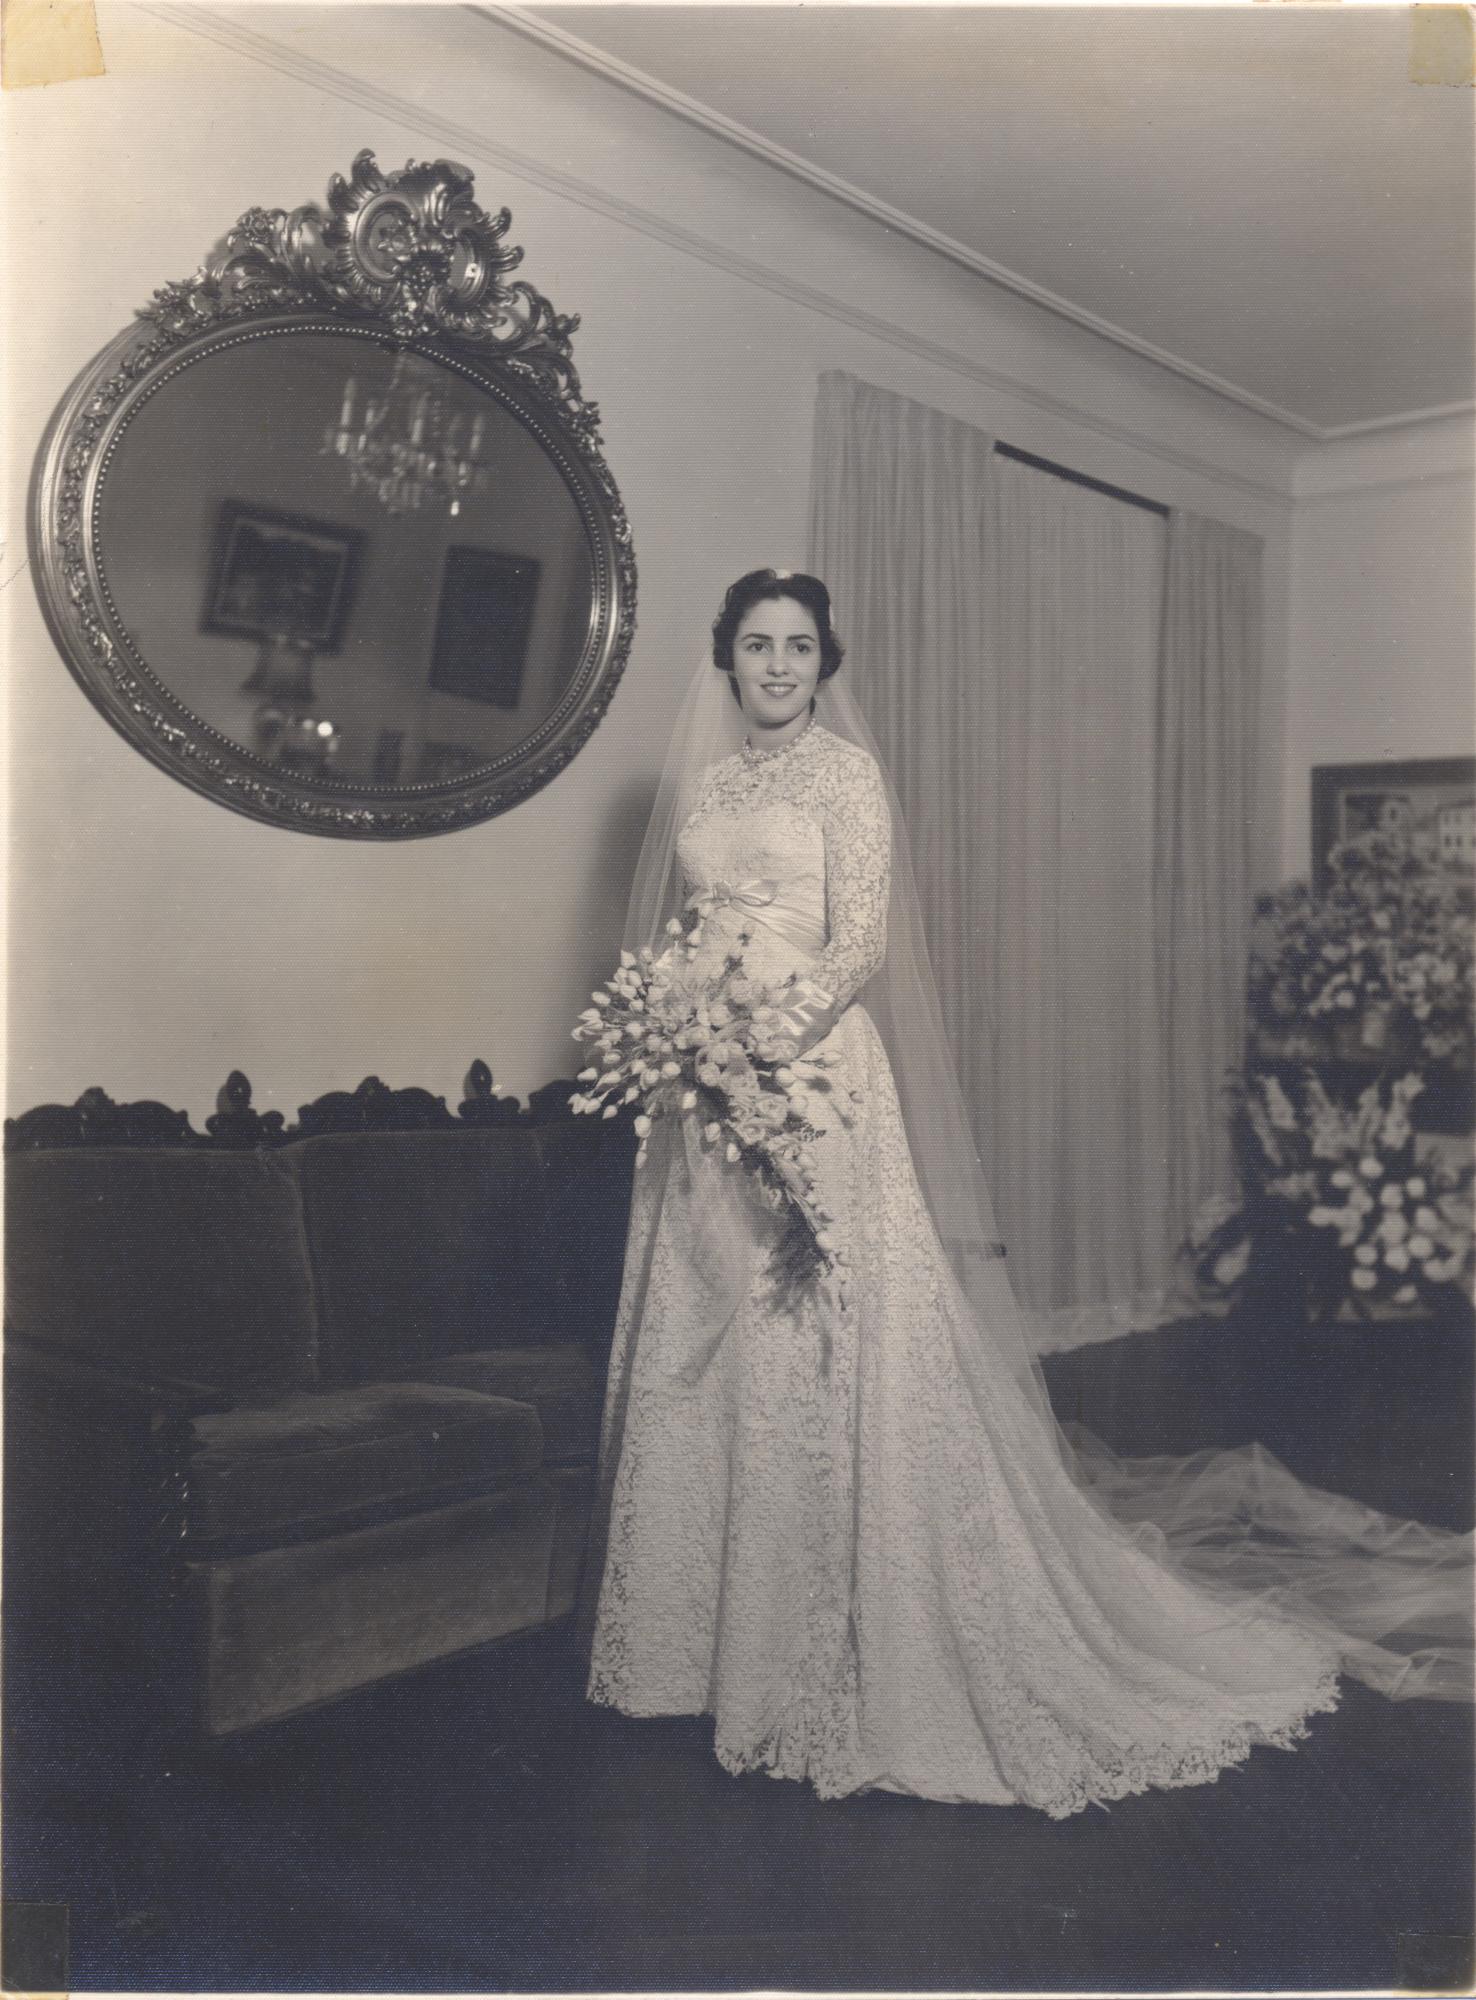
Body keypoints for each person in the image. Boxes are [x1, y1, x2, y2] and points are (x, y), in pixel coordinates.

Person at [577, 568, 1473, 1818]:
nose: (777, 664)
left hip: (811, 1072)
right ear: (726, 656)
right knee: (712, 1338)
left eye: (799, 646)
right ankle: (701, 1652)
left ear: (824, 662)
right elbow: (696, 931)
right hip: (707, 1094)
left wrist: (759, 1045)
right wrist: (685, 1034)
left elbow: (858, 940)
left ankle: (831, 1648)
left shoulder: (846, 775)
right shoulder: (713, 785)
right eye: (758, 644)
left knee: (820, 1336)